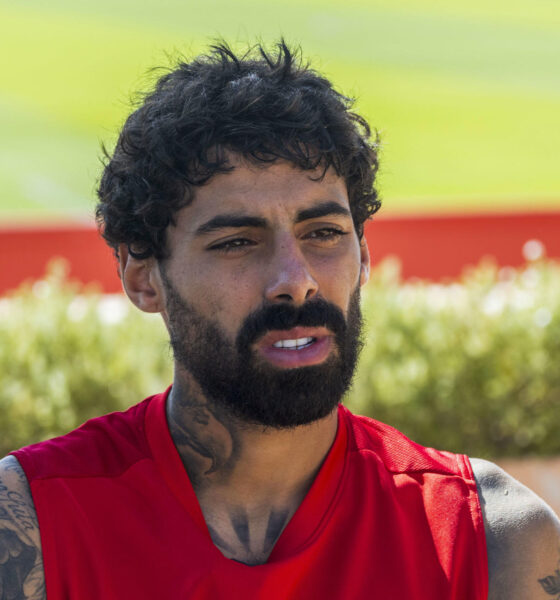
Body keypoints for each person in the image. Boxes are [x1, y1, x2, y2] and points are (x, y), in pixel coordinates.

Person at [1, 41, 559, 600]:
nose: (296, 279)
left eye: (324, 234)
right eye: (237, 242)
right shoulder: (32, 525)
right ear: (142, 277)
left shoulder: (492, 539)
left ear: (364, 256)